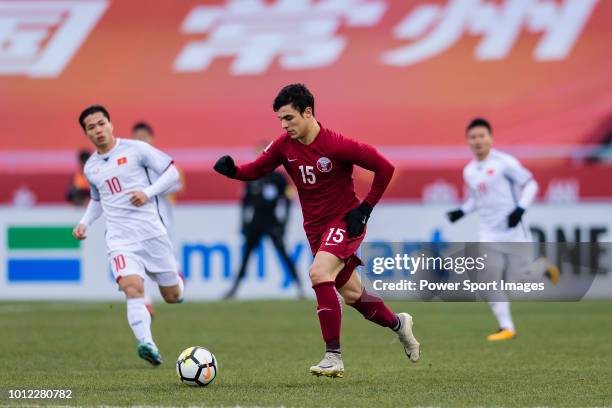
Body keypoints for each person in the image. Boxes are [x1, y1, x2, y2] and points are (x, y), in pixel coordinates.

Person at [214, 83, 420, 378]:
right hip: (315, 230)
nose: (284, 126)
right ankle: (400, 324)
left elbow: (384, 167)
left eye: (289, 118)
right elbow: (257, 169)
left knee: (318, 273)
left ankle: (333, 356)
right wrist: (232, 170)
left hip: (344, 222)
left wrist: (365, 209)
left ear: (307, 112)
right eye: (280, 120)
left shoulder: (337, 145)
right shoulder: (284, 145)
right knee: (353, 296)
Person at [72, 105, 184, 366]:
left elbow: (172, 172)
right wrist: (84, 222)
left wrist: (148, 192)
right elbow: (98, 199)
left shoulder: (136, 149)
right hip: (120, 240)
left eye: (101, 123)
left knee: (172, 296)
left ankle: (178, 282)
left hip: (152, 233)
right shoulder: (91, 168)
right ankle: (148, 343)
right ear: (86, 133)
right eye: (91, 127)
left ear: (110, 124)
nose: (98, 130)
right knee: (132, 288)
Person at [447, 118, 560, 341]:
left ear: (491, 138)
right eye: (473, 137)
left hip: (513, 229)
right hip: (488, 232)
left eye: (482, 136)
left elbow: (531, 184)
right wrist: (462, 211)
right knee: (488, 278)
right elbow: (476, 199)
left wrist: (520, 209)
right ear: (468, 141)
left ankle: (541, 267)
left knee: (520, 279)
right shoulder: (469, 170)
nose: (478, 141)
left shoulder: (504, 163)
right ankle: (506, 327)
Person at [225, 157, 304, 299]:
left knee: (284, 254)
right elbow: (245, 203)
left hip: (272, 221)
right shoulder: (252, 176)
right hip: (255, 222)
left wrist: (284, 223)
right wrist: (243, 224)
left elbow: (287, 201)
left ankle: (300, 287)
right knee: (246, 256)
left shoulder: (279, 178)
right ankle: (234, 289)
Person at [131, 121, 183, 317]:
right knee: (137, 263)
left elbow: (176, 183)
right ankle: (145, 303)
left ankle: (175, 278)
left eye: (144, 136)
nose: (141, 140)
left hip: (160, 222)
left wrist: (150, 189)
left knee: (166, 264)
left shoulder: (159, 161)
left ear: (151, 138)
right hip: (135, 223)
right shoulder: (128, 162)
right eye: (137, 136)